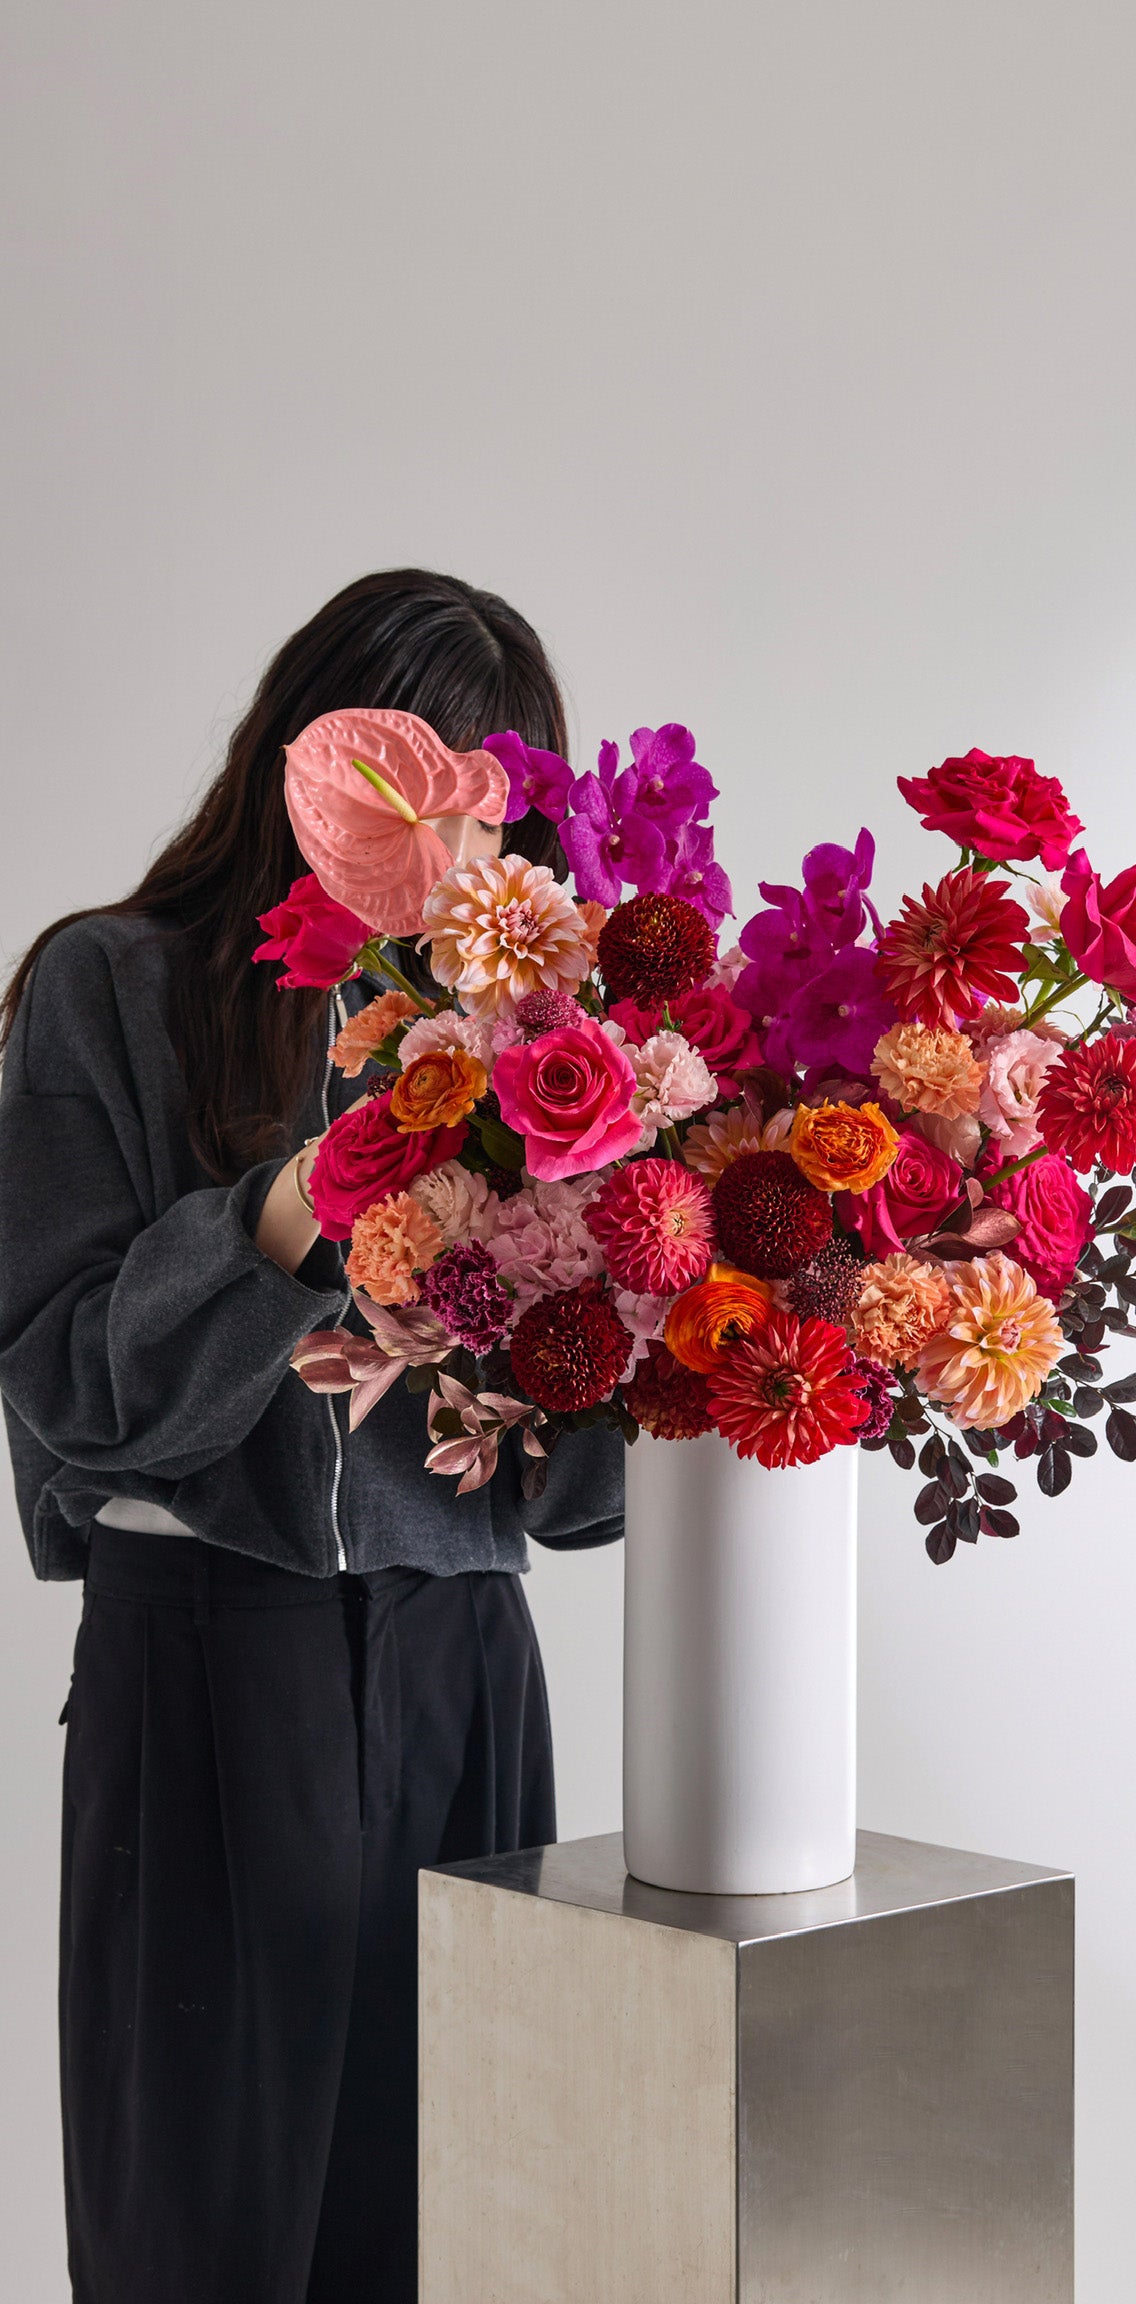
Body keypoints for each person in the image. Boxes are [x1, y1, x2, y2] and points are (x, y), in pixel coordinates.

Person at [0, 569, 625, 2304]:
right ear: (309, 754)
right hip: (207, 1655)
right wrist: (290, 1207)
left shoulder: (535, 1030)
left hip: (465, 1659)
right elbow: (62, 1383)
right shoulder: (111, 987)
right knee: (197, 2229)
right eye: (401, 780)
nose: (442, 839)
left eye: (491, 804)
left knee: (464, 2217)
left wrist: (655, 1302)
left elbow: (584, 1489)